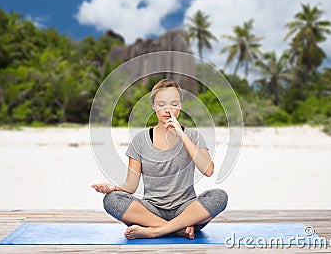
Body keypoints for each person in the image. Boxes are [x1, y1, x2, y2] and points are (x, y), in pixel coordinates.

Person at [91, 79, 228, 239]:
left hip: (187, 210)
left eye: (174, 104)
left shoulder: (193, 136)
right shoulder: (140, 140)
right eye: (161, 104)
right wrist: (113, 188)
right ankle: (177, 230)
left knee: (219, 196)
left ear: (180, 106)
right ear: (154, 106)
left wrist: (181, 135)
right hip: (150, 211)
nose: (167, 109)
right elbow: (131, 186)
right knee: (111, 200)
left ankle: (156, 231)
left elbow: (208, 170)